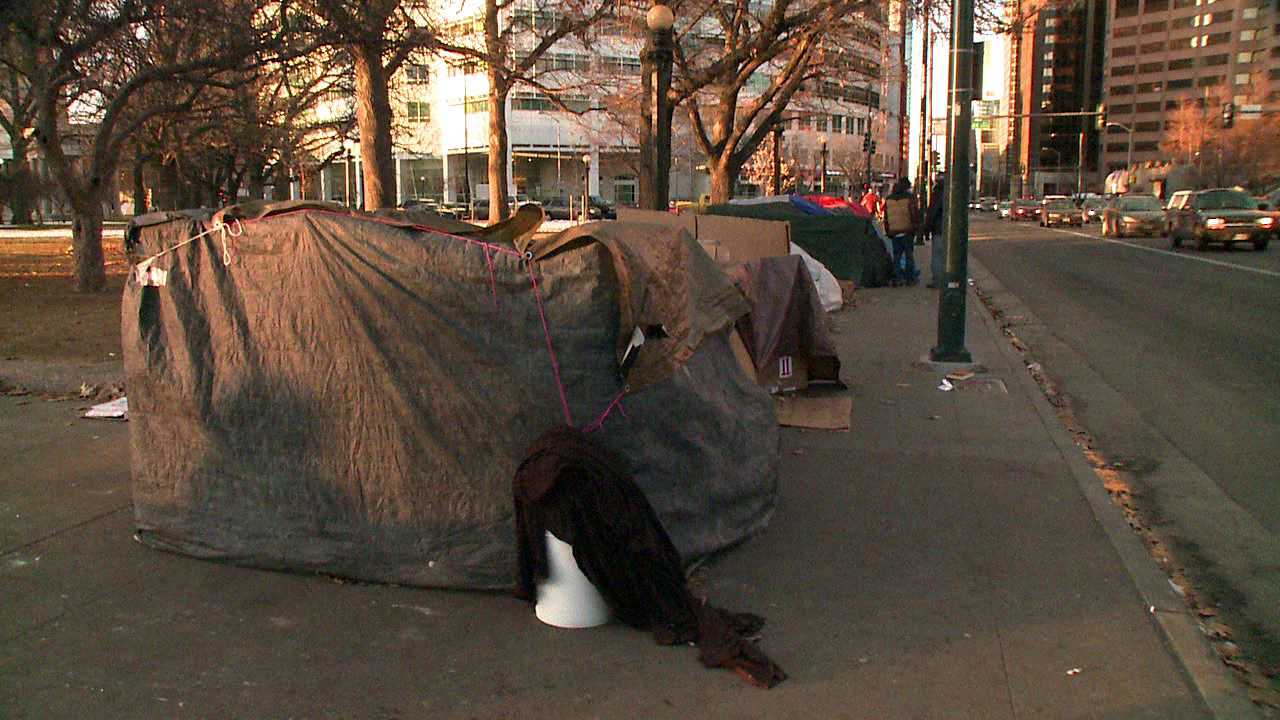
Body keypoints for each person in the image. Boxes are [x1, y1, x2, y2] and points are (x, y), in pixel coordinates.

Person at [882, 178, 920, 286]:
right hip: (907, 230)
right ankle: (909, 278)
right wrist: (916, 227)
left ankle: (897, 278)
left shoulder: (889, 199)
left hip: (894, 231)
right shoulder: (909, 198)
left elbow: (886, 217)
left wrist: (888, 230)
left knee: (897, 256)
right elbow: (913, 213)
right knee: (909, 255)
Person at [925, 175, 947, 289]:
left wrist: (926, 229)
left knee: (937, 256)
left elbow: (932, 213)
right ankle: (948, 279)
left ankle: (937, 281)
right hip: (949, 231)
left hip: (938, 229)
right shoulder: (952, 192)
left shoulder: (937, 194)